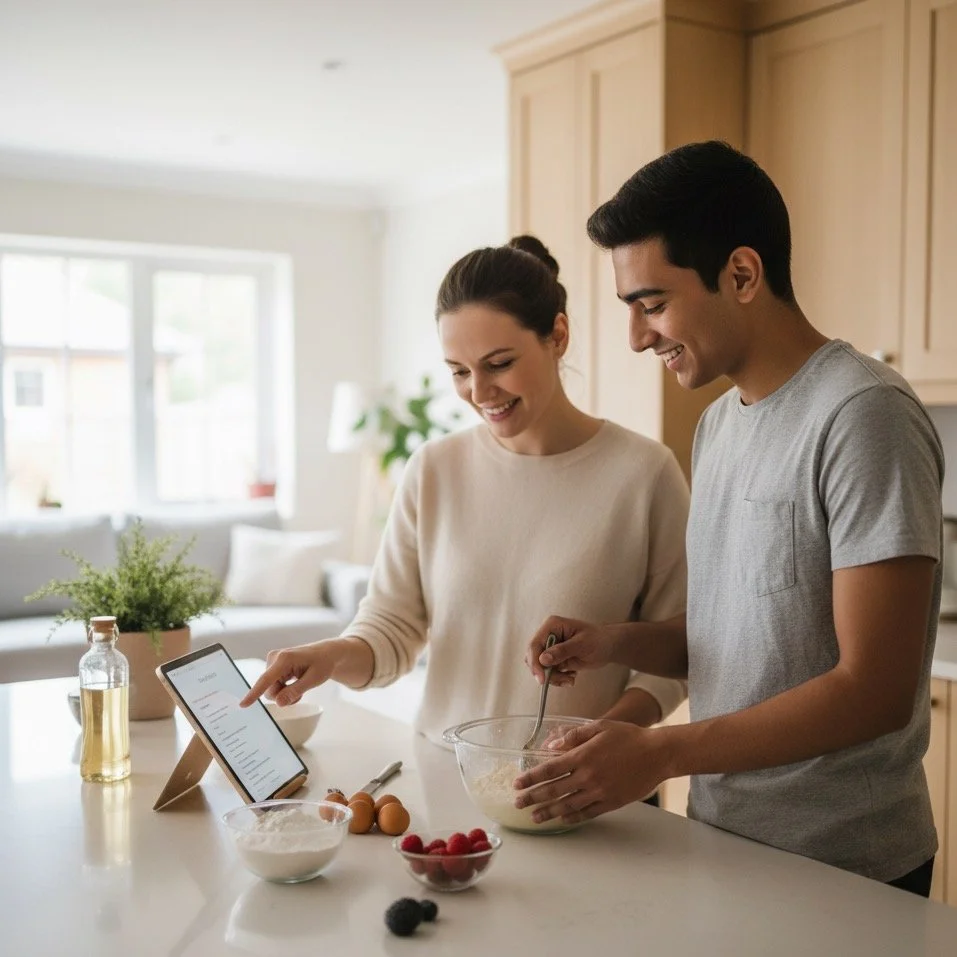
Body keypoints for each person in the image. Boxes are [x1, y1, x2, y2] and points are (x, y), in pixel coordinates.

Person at [517, 141, 945, 898]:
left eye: (651, 303)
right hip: (722, 840)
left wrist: (659, 751)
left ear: (741, 274)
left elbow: (872, 687)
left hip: (844, 869)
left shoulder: (862, 414)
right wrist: (613, 638)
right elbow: (743, 637)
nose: (637, 335)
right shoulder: (716, 425)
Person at [241, 235, 689, 754]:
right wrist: (329, 655)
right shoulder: (434, 471)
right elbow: (392, 628)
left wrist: (605, 736)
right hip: (447, 779)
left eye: (499, 364)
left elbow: (681, 656)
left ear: (558, 335)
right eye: (458, 371)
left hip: (584, 789)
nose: (479, 392)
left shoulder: (643, 474)